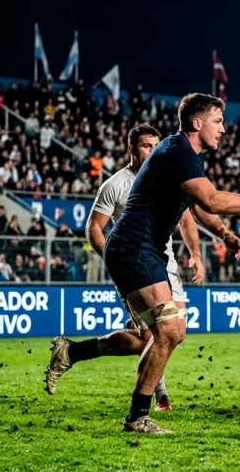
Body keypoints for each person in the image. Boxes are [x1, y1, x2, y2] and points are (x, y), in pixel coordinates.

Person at [57, 93, 240, 435]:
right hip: (133, 248)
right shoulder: (176, 151)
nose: (223, 129)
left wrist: (224, 234)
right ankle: (137, 416)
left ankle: (81, 360)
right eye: (217, 121)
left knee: (166, 334)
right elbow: (212, 199)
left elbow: (198, 209)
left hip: (144, 249)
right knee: (167, 331)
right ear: (197, 123)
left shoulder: (179, 153)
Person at [44, 124, 206, 413]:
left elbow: (186, 218)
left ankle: (72, 351)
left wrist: (196, 255)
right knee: (159, 333)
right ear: (131, 149)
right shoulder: (116, 185)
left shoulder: (166, 176)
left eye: (156, 145)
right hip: (138, 267)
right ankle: (157, 399)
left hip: (166, 265)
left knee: (173, 332)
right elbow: (95, 227)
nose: (152, 150)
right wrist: (114, 261)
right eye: (146, 146)